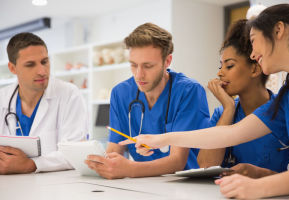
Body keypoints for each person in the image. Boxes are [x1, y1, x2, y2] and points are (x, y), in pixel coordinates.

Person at [121, 4, 289, 199]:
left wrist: (260, 186)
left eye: (254, 41)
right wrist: (160, 139)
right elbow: (232, 133)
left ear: (279, 30)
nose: (253, 54)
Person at [85, 23, 210, 179]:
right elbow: (115, 150)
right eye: (133, 65)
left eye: (148, 66)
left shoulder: (189, 92)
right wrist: (101, 163)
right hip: (143, 185)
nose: (139, 75)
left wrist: (130, 169)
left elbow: (177, 161)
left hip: (186, 185)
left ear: (167, 61)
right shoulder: (120, 93)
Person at [197, 19, 289, 178]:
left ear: (255, 69)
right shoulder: (222, 114)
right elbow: (205, 165)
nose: (220, 73)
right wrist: (228, 109)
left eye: (229, 66)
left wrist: (261, 175)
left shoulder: (285, 111)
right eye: (220, 66)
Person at [0, 32, 88, 174]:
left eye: (44, 62)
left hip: (56, 189)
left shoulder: (69, 94)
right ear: (12, 68)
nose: (42, 71)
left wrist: (31, 164)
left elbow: (75, 151)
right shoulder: (2, 99)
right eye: (30, 65)